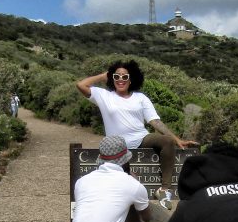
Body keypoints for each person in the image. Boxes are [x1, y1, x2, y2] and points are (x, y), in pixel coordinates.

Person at [75, 60, 196, 204]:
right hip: (117, 145)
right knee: (123, 188)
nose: (120, 80)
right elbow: (81, 85)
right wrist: (104, 75)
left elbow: (154, 121)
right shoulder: (104, 96)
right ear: (112, 78)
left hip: (141, 138)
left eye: (125, 77)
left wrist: (176, 139)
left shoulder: (140, 98)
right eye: (116, 76)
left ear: (131, 79)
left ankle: (164, 191)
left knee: (167, 141)